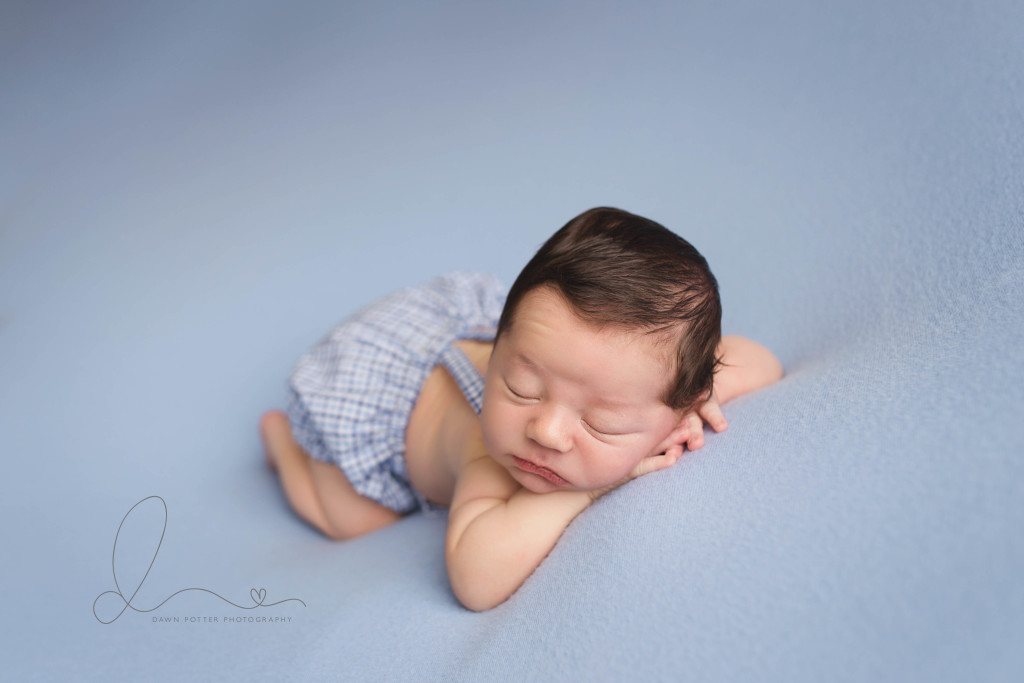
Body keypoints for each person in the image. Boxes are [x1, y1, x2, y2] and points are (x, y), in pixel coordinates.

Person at [260, 207, 783, 611]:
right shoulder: (487, 449)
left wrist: (700, 403)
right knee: (352, 519)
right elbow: (475, 579)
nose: (546, 432)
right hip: (378, 395)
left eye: (601, 422)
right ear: (498, 350)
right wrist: (590, 487)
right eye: (522, 388)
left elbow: (761, 362)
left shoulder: (649, 381)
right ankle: (282, 442)